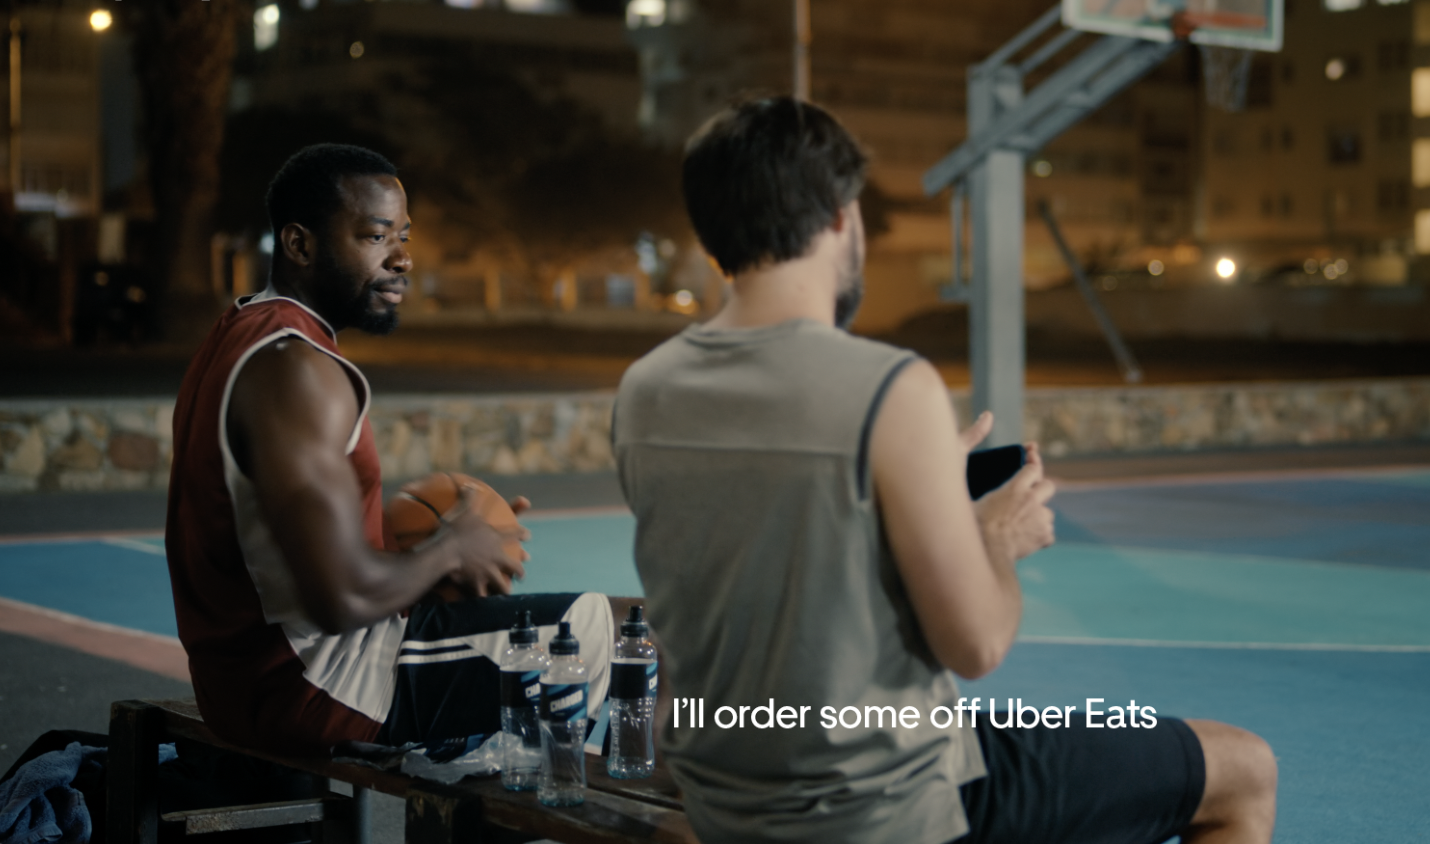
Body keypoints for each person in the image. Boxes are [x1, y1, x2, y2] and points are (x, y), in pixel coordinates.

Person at [613, 98, 1278, 844]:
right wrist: (995, 537)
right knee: (1244, 767)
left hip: (726, 794)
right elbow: (977, 645)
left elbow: (764, 540)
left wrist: (918, 475)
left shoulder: (645, 390)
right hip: (883, 806)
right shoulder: (888, 387)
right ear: (840, 217)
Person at [165, 143, 618, 756]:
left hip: (244, 685)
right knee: (619, 634)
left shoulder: (243, 332)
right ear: (299, 244)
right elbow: (342, 597)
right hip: (319, 688)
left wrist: (434, 558)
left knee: (573, 637)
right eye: (376, 237)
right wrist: (451, 547)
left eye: (403, 236)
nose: (402, 258)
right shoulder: (296, 369)